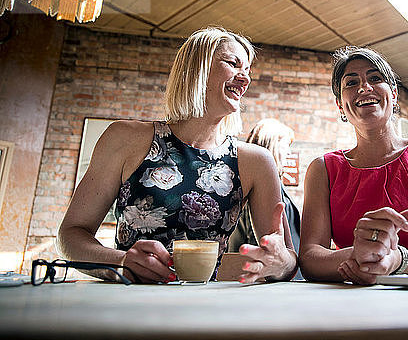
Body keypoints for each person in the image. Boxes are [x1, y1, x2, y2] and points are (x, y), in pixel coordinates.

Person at [58, 27, 298, 284]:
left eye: (248, 70)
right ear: (197, 69)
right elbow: (71, 235)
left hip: (210, 310)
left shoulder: (257, 162)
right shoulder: (123, 138)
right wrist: (121, 261)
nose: (245, 79)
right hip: (128, 303)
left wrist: (280, 262)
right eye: (233, 64)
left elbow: (287, 260)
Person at [299, 46, 408, 285]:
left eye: (375, 78)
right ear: (340, 105)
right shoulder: (323, 169)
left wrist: (396, 261)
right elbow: (309, 259)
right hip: (352, 304)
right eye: (351, 83)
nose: (364, 87)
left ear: (393, 93)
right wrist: (360, 255)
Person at [227, 119, 302, 279]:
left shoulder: (276, 186)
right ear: (272, 145)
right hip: (262, 277)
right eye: (285, 146)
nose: (289, 153)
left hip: (283, 275)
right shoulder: (253, 188)